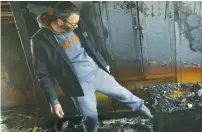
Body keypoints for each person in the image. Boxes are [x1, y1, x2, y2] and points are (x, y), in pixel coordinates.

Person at [31, 2, 153, 132]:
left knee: (129, 97)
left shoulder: (77, 24)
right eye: (73, 24)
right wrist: (53, 101)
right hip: (77, 85)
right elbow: (42, 74)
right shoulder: (40, 40)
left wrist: (102, 63)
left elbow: (91, 46)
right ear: (60, 22)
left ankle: (155, 117)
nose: (77, 25)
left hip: (97, 72)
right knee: (90, 118)